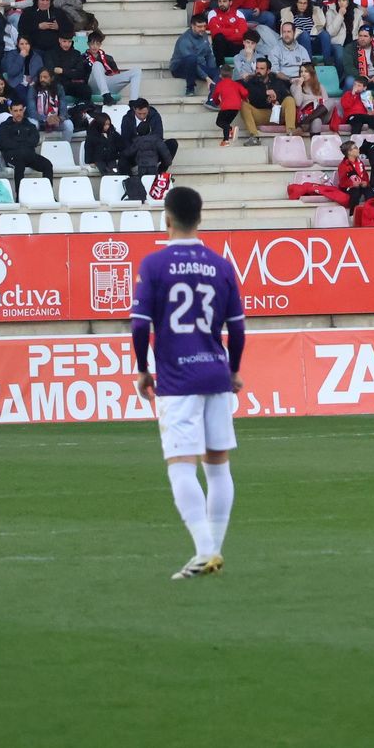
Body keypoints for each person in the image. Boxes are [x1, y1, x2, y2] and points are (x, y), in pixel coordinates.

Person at [130, 186, 244, 580]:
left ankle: (204, 550)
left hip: (178, 377)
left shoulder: (155, 264)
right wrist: (233, 369)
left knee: (180, 464)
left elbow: (140, 324)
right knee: (217, 465)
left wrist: (143, 368)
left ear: (168, 218)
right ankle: (213, 550)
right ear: (200, 218)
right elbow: (238, 328)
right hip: (215, 371)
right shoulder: (220, 264)